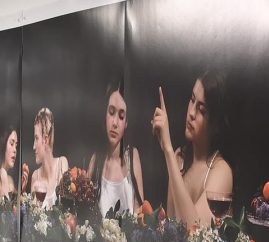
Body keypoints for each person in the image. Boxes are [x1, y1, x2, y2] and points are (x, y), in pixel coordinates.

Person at [151, 72, 233, 229]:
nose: (191, 113)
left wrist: (167, 150)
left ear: (215, 125)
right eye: (192, 100)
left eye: (201, 110)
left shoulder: (222, 171)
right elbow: (172, 228)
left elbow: (194, 234)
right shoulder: (179, 158)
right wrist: (171, 156)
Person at [87, 81, 144, 216]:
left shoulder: (132, 156)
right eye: (111, 112)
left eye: (121, 116)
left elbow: (141, 214)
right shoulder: (95, 161)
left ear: (126, 123)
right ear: (104, 115)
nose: (115, 123)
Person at [30, 108, 69, 209]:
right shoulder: (35, 176)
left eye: (36, 138)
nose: (33, 146)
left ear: (46, 139)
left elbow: (66, 211)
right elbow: (33, 220)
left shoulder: (62, 163)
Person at [0, 127, 18, 199]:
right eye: (11, 144)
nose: (15, 150)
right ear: (3, 144)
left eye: (16, 146)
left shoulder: (10, 179)